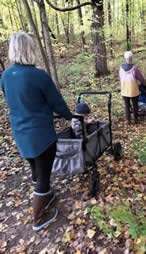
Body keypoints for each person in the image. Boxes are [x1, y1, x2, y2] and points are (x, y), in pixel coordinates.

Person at [0, 32, 73, 232]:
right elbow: (57, 103)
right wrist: (71, 117)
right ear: (29, 49)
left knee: (35, 168)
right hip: (41, 136)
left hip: (20, 134)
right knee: (43, 176)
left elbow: (13, 100)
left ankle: (46, 196)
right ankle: (38, 218)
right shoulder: (38, 75)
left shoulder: (5, 75)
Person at [119, 51, 146, 124]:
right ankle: (135, 119)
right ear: (131, 58)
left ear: (125, 58)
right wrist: (143, 82)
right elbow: (140, 78)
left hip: (124, 88)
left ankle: (128, 120)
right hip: (133, 89)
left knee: (127, 105)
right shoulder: (134, 68)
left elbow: (120, 77)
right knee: (135, 104)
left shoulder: (121, 68)